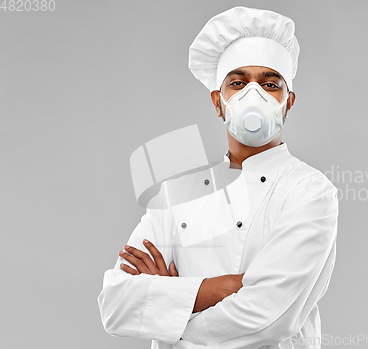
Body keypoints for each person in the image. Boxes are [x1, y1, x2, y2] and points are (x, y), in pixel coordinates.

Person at [98, 6, 339, 349]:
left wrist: (171, 311)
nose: (252, 95)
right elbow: (115, 303)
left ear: (288, 102)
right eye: (238, 83)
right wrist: (233, 285)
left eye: (270, 84)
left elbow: (269, 319)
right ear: (218, 101)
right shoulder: (175, 194)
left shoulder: (310, 192)